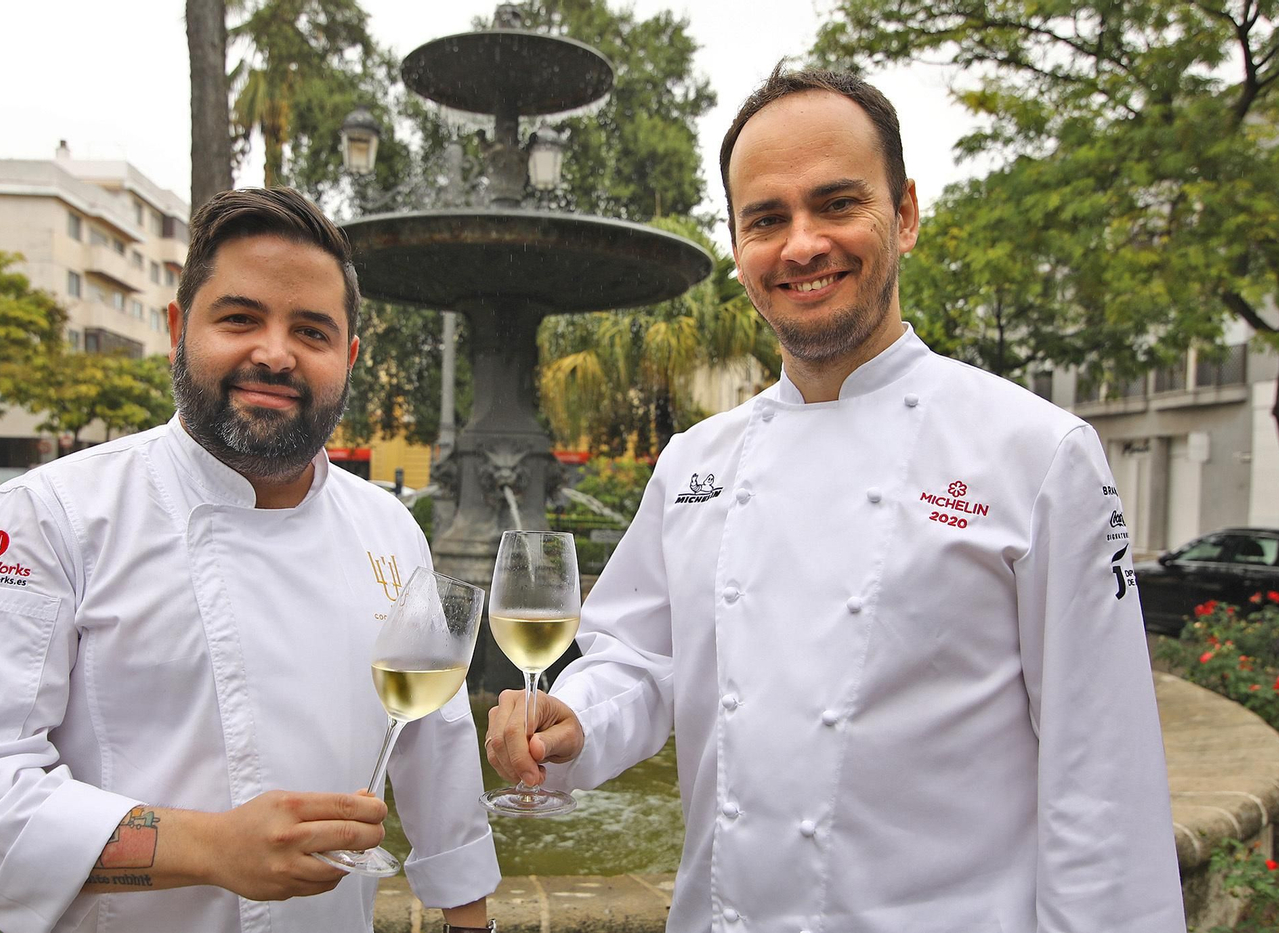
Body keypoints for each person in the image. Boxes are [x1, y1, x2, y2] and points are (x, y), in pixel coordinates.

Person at [485, 68, 1186, 933]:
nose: (802, 244)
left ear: (906, 214)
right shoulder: (695, 461)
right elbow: (640, 662)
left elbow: (1102, 778)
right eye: (767, 218)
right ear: (740, 247)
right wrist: (576, 719)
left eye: (837, 203)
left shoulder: (1038, 454)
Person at [0, 187, 498, 933]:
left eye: (310, 331)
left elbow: (435, 741)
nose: (274, 353)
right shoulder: (53, 514)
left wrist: (468, 915)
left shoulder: (390, 526)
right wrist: (210, 846)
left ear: (346, 358)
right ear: (180, 328)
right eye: (240, 318)